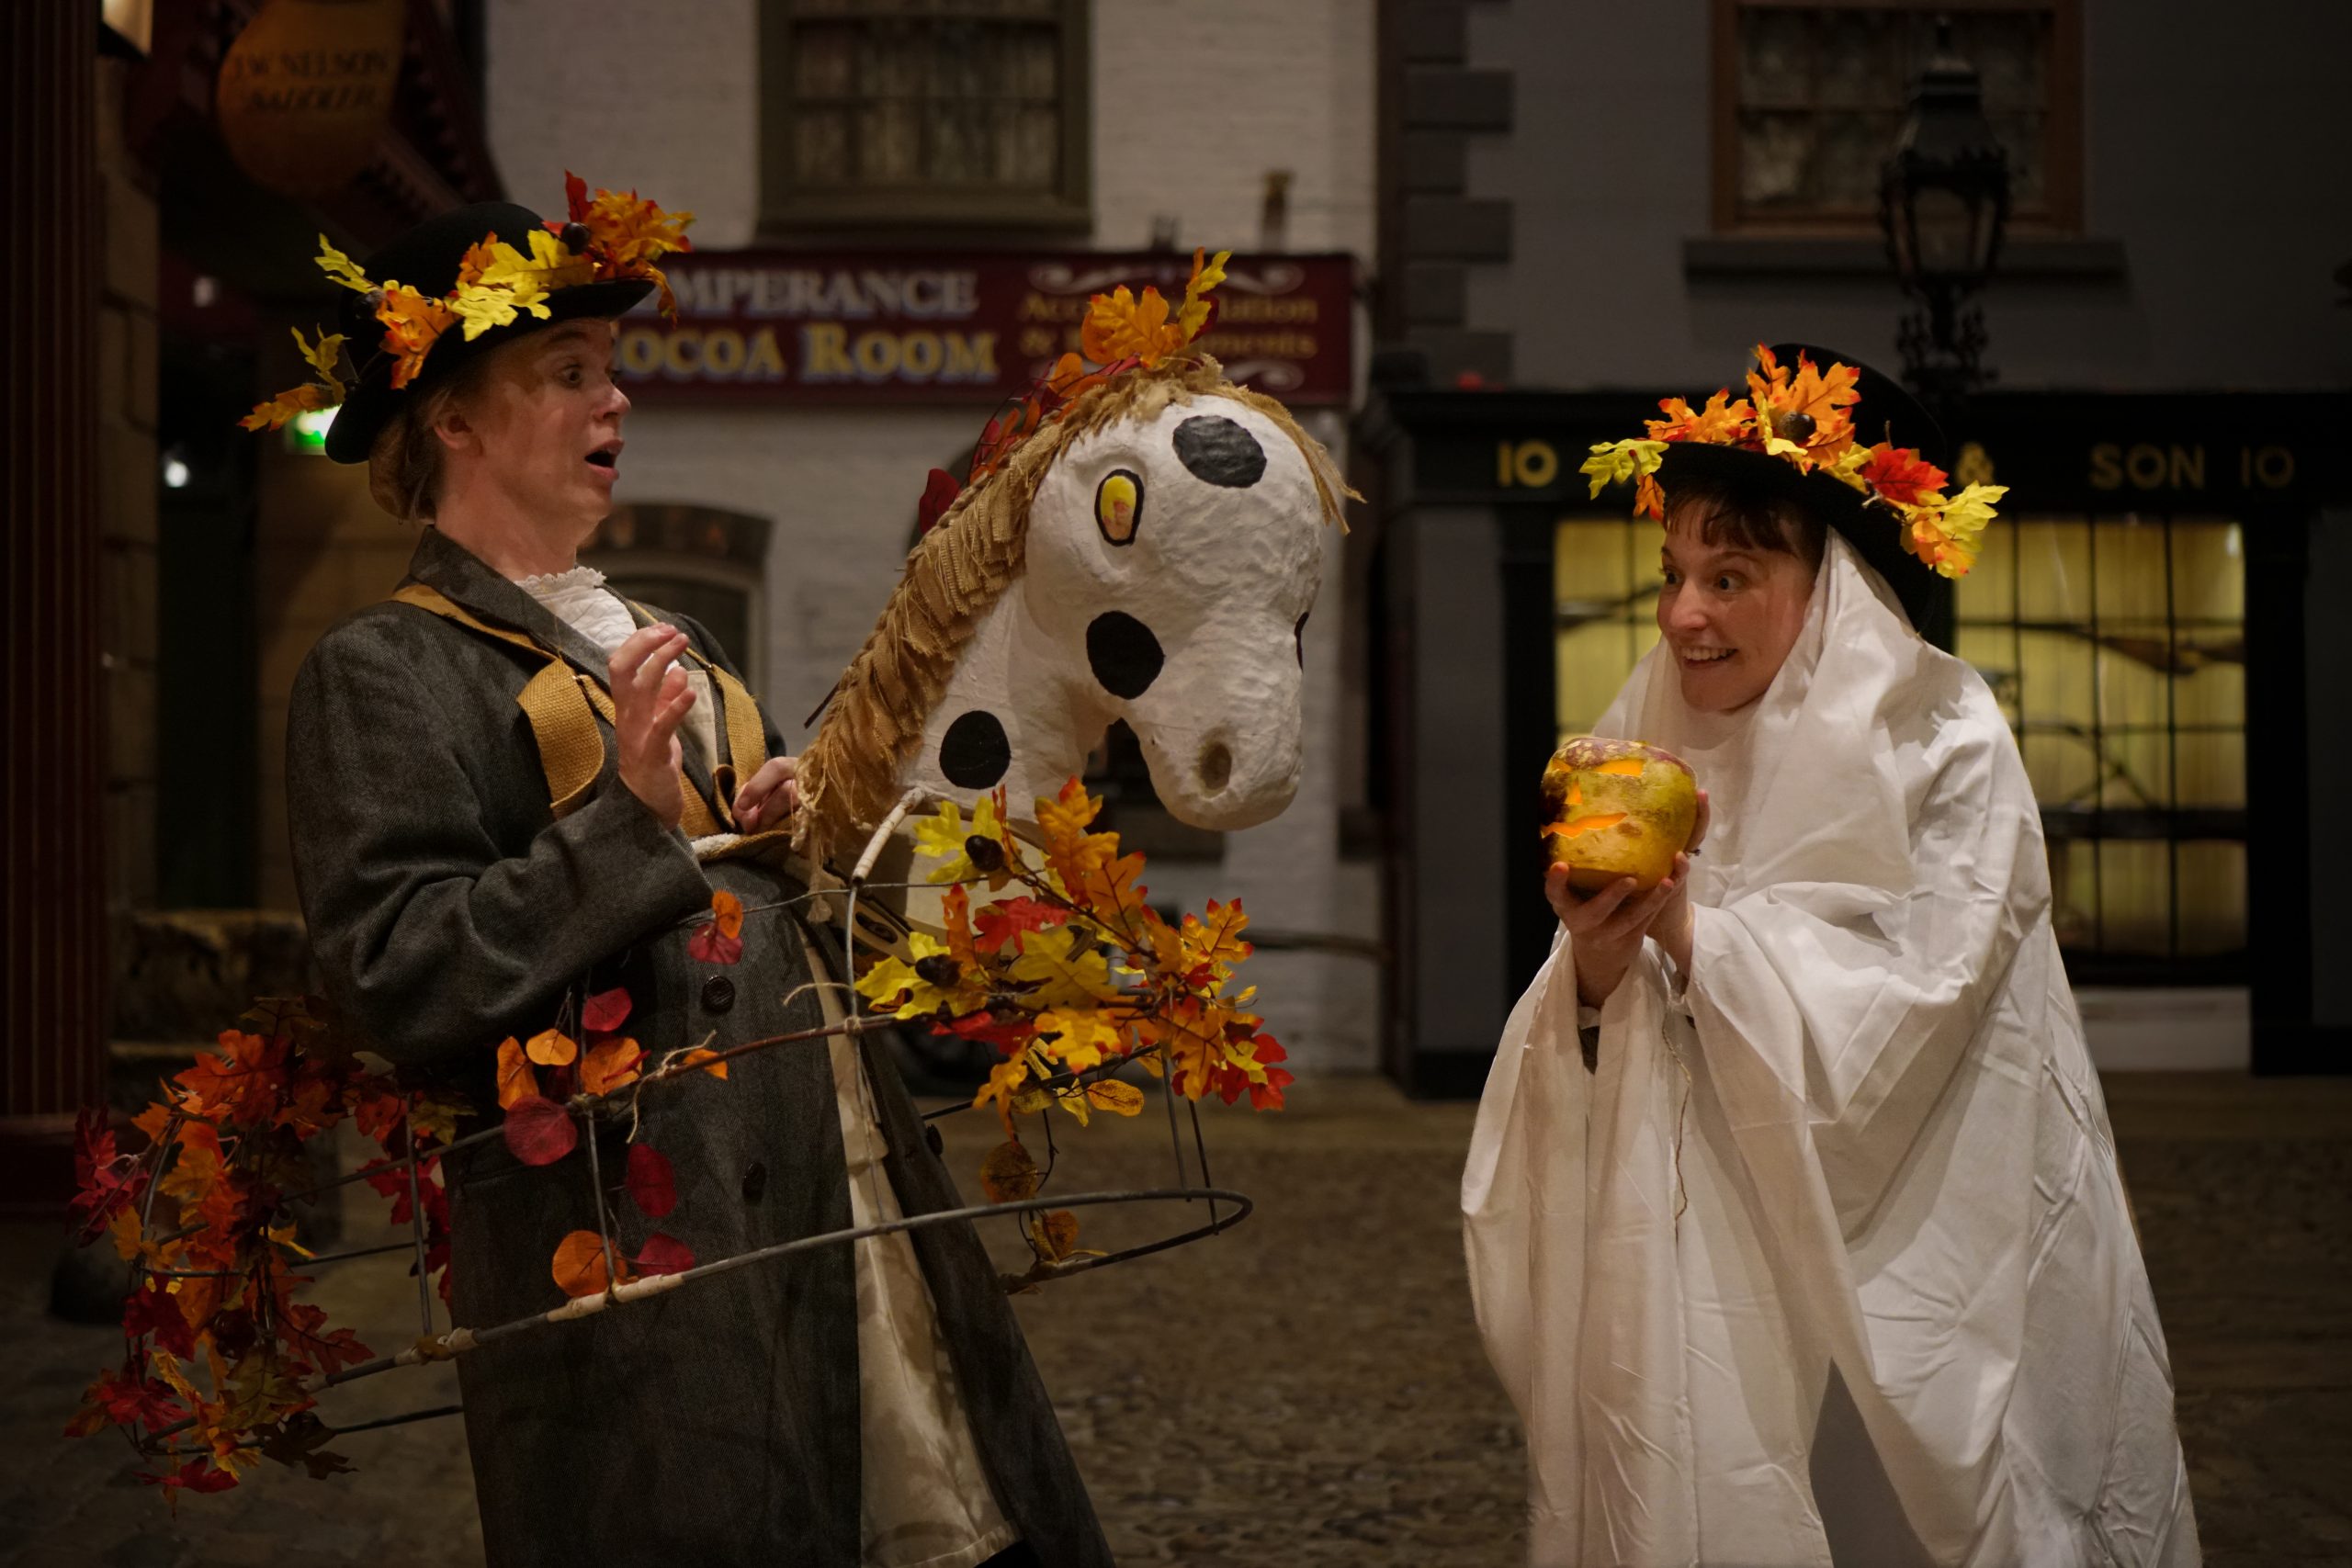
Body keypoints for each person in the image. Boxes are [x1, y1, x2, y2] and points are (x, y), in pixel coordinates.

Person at [259, 194, 1108, 1568]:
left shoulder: (671, 635)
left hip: (845, 1194)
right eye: (572, 371)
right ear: (455, 422)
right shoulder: (383, 672)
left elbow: (726, 907)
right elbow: (392, 973)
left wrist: (771, 834)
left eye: (610, 364)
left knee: (952, 1520)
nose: (619, 395)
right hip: (646, 1274)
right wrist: (629, 824)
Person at [1462, 345, 2199, 1567]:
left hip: (1907, 1248)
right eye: (1676, 573)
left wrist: (1693, 935)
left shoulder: (1944, 742)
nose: (1684, 615)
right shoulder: (1642, 738)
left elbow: (1926, 1006)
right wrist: (1594, 966)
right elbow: (1586, 1025)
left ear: (1837, 584)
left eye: (1732, 574)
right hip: (1695, 1259)